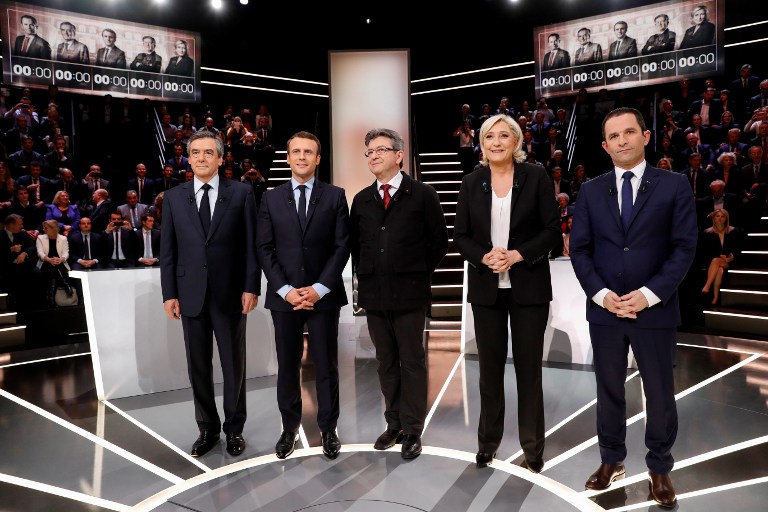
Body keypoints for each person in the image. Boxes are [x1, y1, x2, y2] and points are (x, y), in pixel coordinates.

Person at [569, 108, 698, 508]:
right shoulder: (591, 190)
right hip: (605, 310)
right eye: (614, 136)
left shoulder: (674, 185)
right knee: (608, 390)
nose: (622, 140)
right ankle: (611, 460)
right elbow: (580, 250)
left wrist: (648, 293)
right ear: (605, 145)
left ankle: (659, 467)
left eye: (630, 132)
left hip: (654, 309)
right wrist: (602, 295)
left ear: (645, 136)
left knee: (659, 393)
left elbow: (684, 248)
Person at [453, 114, 561, 472]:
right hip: (487, 290)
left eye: (503, 136)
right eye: (488, 137)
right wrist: (484, 256)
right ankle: (488, 442)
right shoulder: (471, 182)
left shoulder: (536, 176)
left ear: (516, 142)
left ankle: (532, 447)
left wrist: (517, 255)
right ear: (481, 145)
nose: (496, 143)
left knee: (529, 371)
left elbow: (550, 231)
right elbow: (461, 236)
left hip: (528, 287)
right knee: (489, 371)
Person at [160, 130, 261, 459]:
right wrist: (169, 293)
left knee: (234, 365)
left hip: (231, 294)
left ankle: (234, 429)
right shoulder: (174, 198)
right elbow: (168, 251)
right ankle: (207, 428)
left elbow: (250, 245)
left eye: (208, 153)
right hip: (190, 294)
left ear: (220, 158)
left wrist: (251, 286)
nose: (201, 158)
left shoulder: (243, 193)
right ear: (188, 158)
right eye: (195, 153)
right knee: (198, 366)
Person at [349, 128, 448, 460]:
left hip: (410, 295)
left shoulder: (422, 194)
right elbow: (355, 246)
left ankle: (412, 429)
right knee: (385, 362)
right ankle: (393, 424)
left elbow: (439, 244)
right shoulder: (362, 199)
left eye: (381, 150)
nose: (374, 155)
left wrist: (414, 272)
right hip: (375, 296)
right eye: (370, 152)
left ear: (399, 155)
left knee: (412, 362)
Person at [256, 131, 350, 461]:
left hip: (324, 296)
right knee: (287, 366)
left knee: (326, 365)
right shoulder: (270, 198)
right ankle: (289, 428)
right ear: (287, 158)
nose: (301, 157)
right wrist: (286, 291)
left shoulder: (336, 196)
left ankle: (328, 429)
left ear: (318, 158)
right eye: (295, 151)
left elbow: (342, 247)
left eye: (308, 152)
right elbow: (264, 248)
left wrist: (319, 288)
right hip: (285, 297)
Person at [700, 209, 742, 305]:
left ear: (726, 218)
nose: (719, 218)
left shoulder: (733, 231)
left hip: (729, 261)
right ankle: (715, 297)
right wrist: (719, 256)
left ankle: (707, 285)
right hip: (713, 262)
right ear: (713, 218)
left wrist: (730, 257)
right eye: (717, 216)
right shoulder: (707, 233)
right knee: (719, 269)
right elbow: (705, 251)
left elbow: (737, 248)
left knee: (717, 261)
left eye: (722, 216)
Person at [36, 219, 73, 308]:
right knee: (51, 267)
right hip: (45, 261)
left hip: (60, 261)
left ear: (53, 229)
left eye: (46, 228)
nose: (43, 229)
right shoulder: (40, 238)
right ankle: (66, 283)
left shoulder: (63, 238)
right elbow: (40, 253)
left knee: (56, 266)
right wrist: (48, 259)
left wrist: (61, 259)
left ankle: (51, 298)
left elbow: (66, 252)